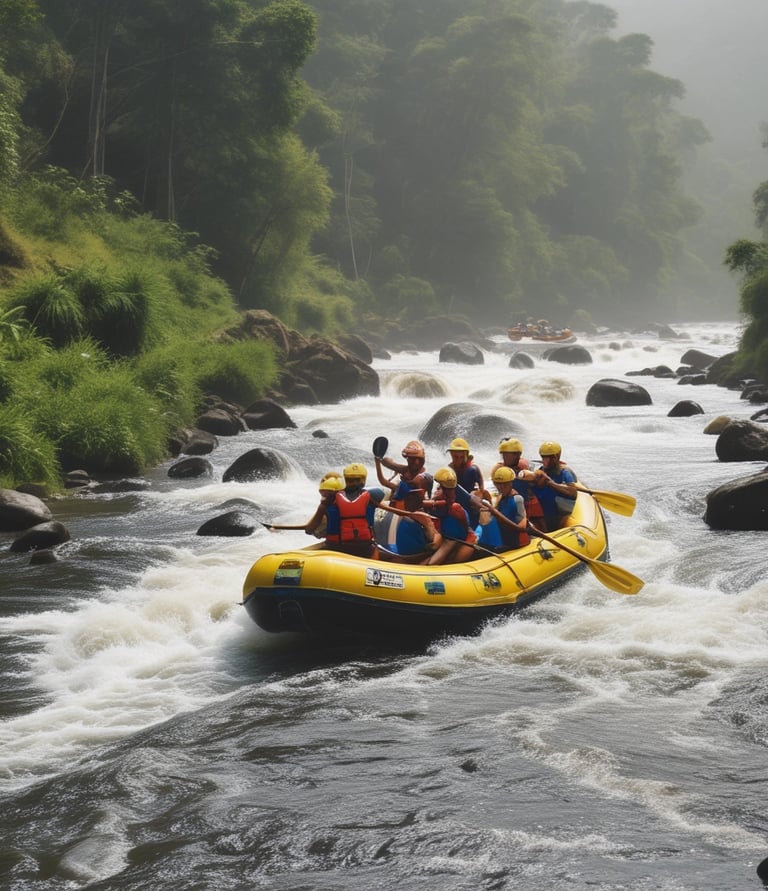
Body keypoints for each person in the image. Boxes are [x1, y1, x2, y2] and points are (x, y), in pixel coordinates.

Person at [324, 462, 385, 558]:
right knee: (375, 549)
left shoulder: (330, 499)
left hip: (336, 547)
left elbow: (310, 530)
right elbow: (381, 492)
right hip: (364, 547)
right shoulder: (372, 496)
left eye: (355, 480)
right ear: (363, 480)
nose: (354, 483)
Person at [422, 467, 478, 564]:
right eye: (438, 488)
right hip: (444, 537)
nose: (437, 492)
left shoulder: (455, 508)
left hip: (459, 540)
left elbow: (449, 503)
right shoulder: (435, 504)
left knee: (445, 551)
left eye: (440, 489)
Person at [489, 438, 545, 532]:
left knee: (539, 525)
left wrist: (534, 476)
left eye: (519, 454)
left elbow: (535, 477)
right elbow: (499, 491)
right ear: (504, 454)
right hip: (509, 503)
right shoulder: (498, 469)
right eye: (514, 454)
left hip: (527, 503)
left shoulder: (522, 465)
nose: (517, 457)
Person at [521, 441, 578, 531]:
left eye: (551, 457)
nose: (547, 461)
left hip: (557, 512)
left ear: (557, 457)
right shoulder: (541, 470)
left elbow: (573, 492)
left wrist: (550, 483)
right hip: (543, 510)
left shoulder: (564, 472)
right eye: (544, 457)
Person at [378, 488, 442, 563]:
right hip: (407, 553)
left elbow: (434, 542)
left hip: (410, 554)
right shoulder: (419, 516)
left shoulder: (419, 516)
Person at [478, 466, 529, 551]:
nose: (501, 487)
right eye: (498, 484)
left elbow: (522, 527)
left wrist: (497, 514)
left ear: (511, 483)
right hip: (503, 539)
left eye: (505, 484)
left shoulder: (517, 499)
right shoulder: (500, 497)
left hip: (515, 543)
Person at [374, 439, 433, 507]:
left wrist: (378, 461)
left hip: (409, 506)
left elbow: (383, 481)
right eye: (413, 459)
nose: (416, 462)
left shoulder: (422, 478)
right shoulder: (407, 469)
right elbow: (389, 464)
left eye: (419, 459)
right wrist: (380, 459)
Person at [446, 437, 486, 526]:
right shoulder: (450, 469)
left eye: (461, 457)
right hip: (456, 502)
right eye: (456, 457)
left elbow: (481, 489)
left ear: (466, 455)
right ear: (451, 455)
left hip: (471, 504)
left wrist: (477, 497)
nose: (458, 460)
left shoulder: (473, 469)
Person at [304, 473, 344, 540]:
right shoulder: (353, 501)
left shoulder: (324, 507)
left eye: (327, 492)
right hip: (355, 539)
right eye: (322, 492)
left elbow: (308, 530)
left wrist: (322, 507)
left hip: (335, 543)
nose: (324, 495)